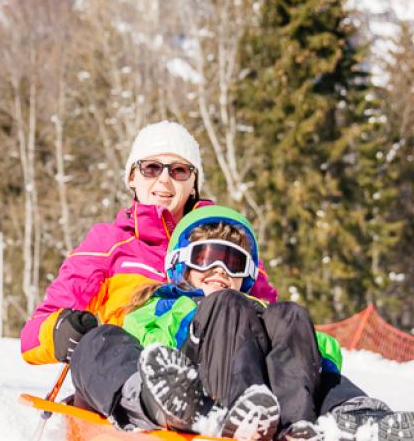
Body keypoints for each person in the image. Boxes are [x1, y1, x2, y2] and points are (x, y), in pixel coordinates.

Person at [68, 205, 411, 441]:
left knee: (291, 318)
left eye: (232, 263)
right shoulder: (163, 305)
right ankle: (164, 404)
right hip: (192, 392)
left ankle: (358, 427)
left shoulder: (259, 310)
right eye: (205, 257)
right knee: (98, 341)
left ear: (246, 272)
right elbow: (142, 343)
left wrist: (291, 336)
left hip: (280, 410)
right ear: (180, 264)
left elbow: (325, 352)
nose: (218, 270)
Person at [20, 120, 276, 366]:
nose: (165, 180)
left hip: (216, 370)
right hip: (127, 372)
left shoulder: (227, 242)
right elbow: (32, 337)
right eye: (151, 168)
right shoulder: (108, 243)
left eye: (179, 170)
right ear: (132, 176)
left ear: (193, 184)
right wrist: (60, 331)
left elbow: (269, 316)